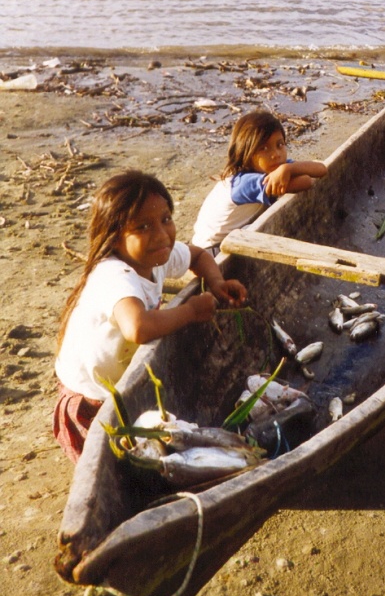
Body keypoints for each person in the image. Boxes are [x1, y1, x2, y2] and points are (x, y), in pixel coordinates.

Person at [54, 170, 247, 463]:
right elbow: (138, 327)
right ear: (115, 237)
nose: (160, 234)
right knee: (117, 467)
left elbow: (199, 256)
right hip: (91, 397)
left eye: (166, 219)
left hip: (121, 383)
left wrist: (217, 282)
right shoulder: (115, 275)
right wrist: (191, 311)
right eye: (142, 227)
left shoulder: (156, 255)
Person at [192, 109, 327, 250]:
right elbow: (305, 181)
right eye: (264, 148)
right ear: (246, 154)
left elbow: (321, 169)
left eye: (280, 144)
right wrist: (289, 169)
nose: (276, 154)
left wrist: (288, 168)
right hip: (212, 250)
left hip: (228, 238)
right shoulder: (244, 183)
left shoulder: (275, 168)